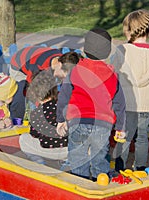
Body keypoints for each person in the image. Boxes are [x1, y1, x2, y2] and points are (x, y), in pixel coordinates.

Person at [56, 28, 126, 181]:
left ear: (86, 50)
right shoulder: (112, 75)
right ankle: (98, 184)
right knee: (100, 158)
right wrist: (120, 127)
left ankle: (80, 183)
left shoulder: (76, 71)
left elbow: (64, 96)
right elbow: (120, 103)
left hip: (78, 121)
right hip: (103, 124)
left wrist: (60, 119)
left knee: (77, 155)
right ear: (107, 52)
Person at [111, 9, 149, 171]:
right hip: (148, 103)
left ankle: (120, 166)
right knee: (142, 136)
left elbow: (114, 71)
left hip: (128, 102)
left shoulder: (123, 51)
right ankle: (141, 166)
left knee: (125, 136)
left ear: (130, 31)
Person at [19, 52, 81, 165]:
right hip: (67, 149)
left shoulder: (36, 114)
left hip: (48, 150)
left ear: (35, 96)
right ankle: (65, 161)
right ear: (55, 91)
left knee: (24, 139)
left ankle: (38, 161)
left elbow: (34, 134)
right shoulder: (63, 107)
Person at [9, 46, 67, 121]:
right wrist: (41, 105)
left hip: (39, 61)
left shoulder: (62, 60)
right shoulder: (38, 66)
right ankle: (17, 121)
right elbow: (32, 89)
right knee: (20, 94)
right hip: (19, 65)